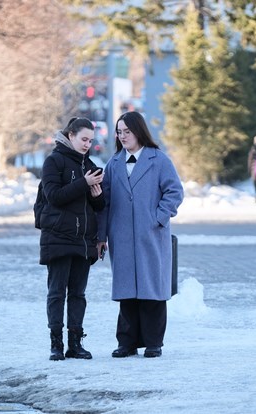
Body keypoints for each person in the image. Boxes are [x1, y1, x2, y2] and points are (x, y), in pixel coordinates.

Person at [97, 111, 184, 359]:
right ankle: (127, 342)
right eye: (119, 132)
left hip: (152, 236)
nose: (123, 136)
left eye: (127, 131)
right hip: (121, 237)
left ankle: (154, 342)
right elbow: (104, 202)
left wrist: (158, 217)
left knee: (152, 289)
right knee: (127, 291)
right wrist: (102, 236)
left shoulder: (159, 160)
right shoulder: (113, 164)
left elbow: (174, 191)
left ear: (139, 131)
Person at [39, 117, 105, 361]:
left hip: (83, 240)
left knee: (78, 294)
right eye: (83, 139)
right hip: (58, 237)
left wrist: (97, 195)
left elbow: (98, 205)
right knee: (56, 292)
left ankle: (75, 343)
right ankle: (56, 344)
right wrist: (83, 183)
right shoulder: (53, 161)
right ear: (70, 136)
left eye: (90, 140)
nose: (87, 144)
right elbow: (53, 196)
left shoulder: (91, 165)